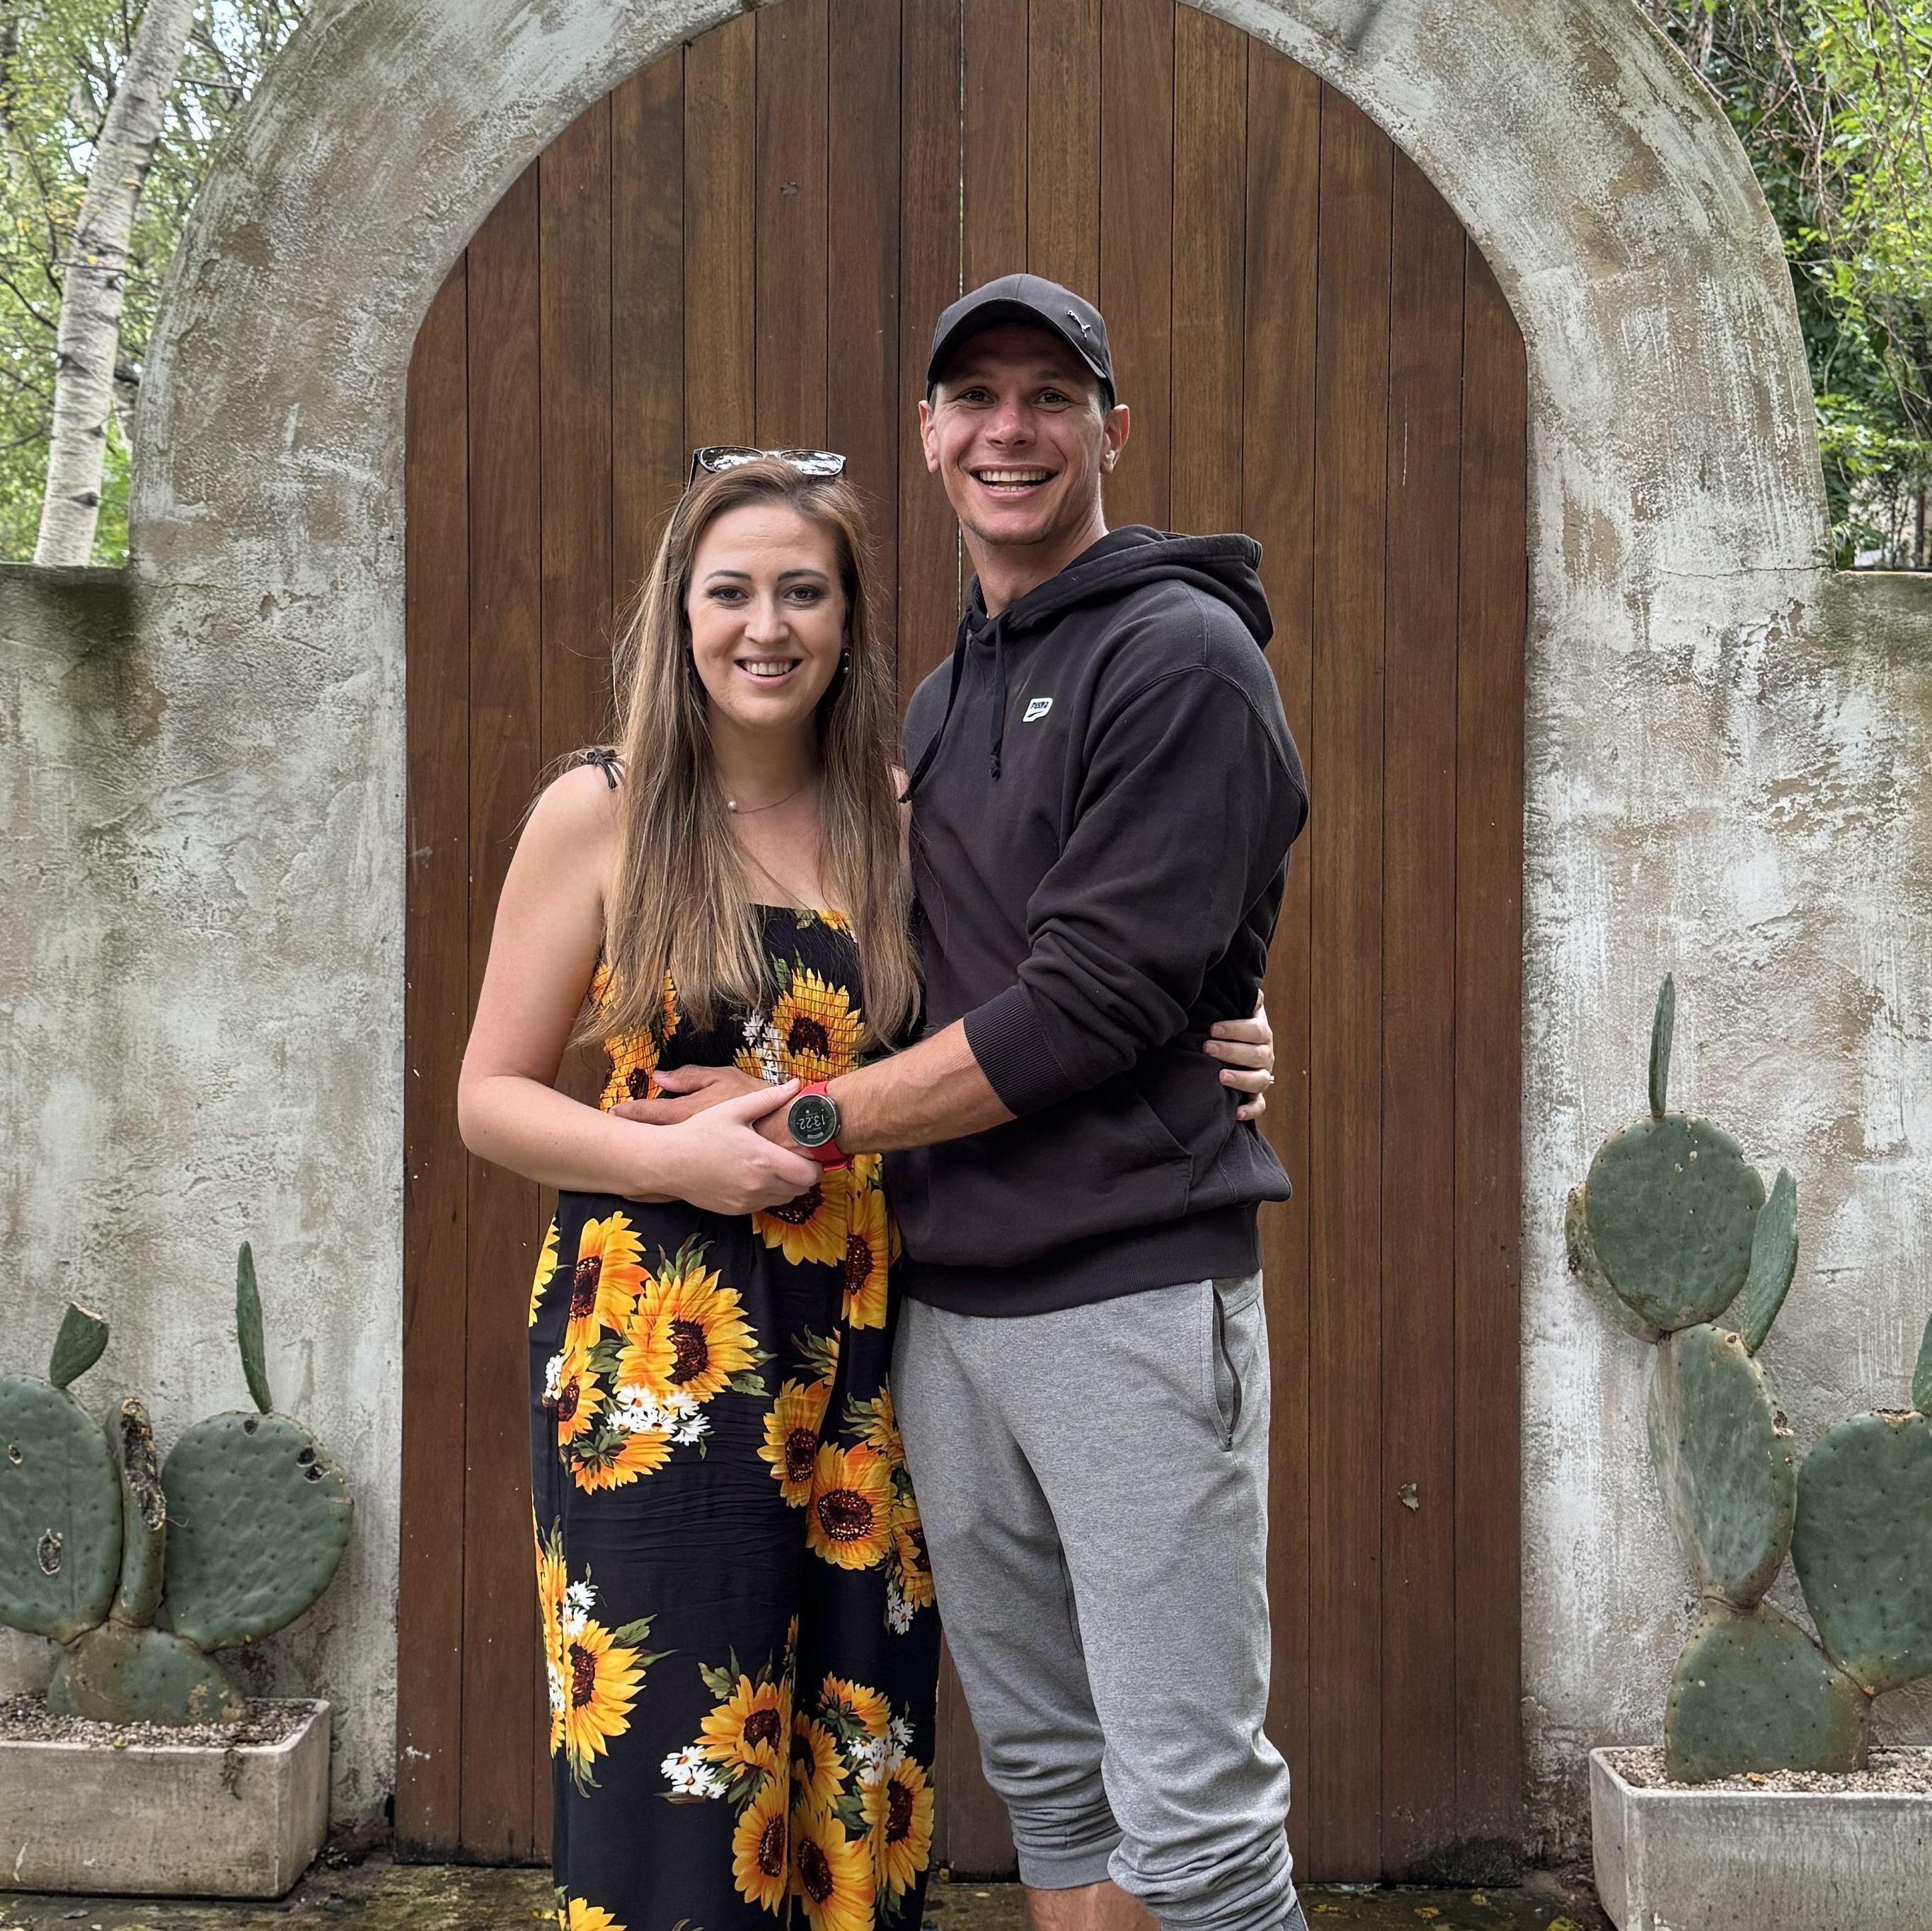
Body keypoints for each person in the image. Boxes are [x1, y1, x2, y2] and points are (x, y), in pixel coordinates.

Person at [456, 447, 1279, 1931]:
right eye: (731, 592)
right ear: (679, 612)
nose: (766, 627)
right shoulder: (602, 810)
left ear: (847, 620)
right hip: (660, 1368)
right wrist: (673, 1158)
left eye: (803, 592)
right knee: (678, 1773)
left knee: (854, 1761)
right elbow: (490, 1098)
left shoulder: (901, 815)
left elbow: (1063, 992)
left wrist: (1224, 1028)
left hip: (864, 1347)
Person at [667, 277, 1312, 1931]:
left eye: (1048, 396)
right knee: (1054, 1789)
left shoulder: (1180, 656)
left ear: (1113, 426)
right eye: (975, 398)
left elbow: (1091, 1000)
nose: (1008, 430)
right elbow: (960, 964)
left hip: (1125, 1303)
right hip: (951, 1312)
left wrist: (801, 1123)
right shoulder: (949, 695)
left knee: (1196, 1820)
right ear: (930, 435)